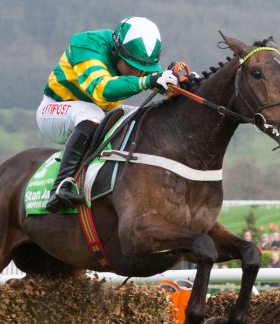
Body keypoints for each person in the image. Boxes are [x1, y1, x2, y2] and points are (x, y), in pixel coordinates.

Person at [37, 16, 180, 213]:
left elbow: (157, 80)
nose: (137, 73)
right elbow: (102, 89)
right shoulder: (86, 44)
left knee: (134, 116)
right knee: (91, 113)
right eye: (132, 66)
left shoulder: (136, 57)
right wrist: (146, 81)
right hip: (54, 110)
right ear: (116, 51)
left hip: (97, 117)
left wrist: (180, 83)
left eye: (142, 70)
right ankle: (60, 186)